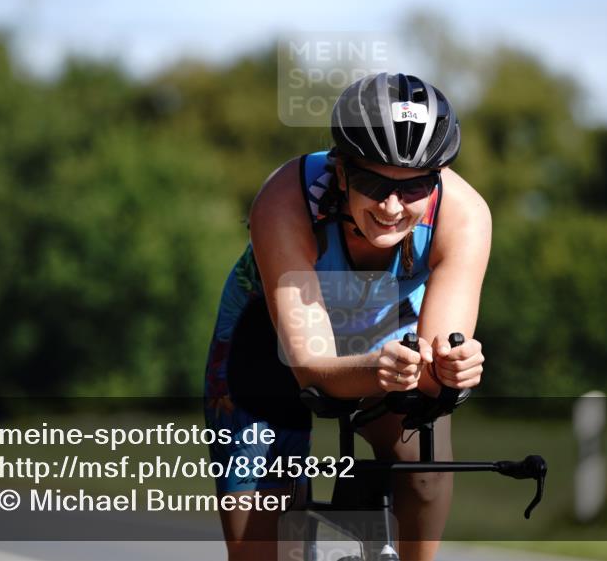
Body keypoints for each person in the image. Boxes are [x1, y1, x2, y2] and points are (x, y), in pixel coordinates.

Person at [204, 72, 491, 560]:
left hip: (388, 336)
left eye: (416, 186)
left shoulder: (462, 214)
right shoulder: (286, 199)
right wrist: (375, 369)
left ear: (437, 179)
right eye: (372, 181)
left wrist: (452, 369)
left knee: (423, 473)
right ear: (340, 172)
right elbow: (308, 365)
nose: (392, 206)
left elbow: (437, 366)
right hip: (270, 343)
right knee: (265, 539)